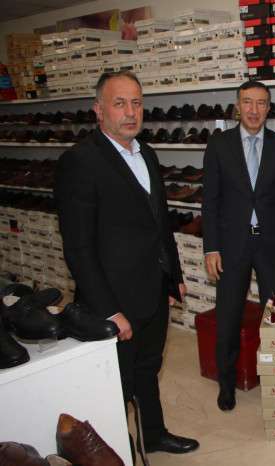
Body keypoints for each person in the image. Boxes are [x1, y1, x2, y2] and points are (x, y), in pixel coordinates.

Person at [54, 71, 199, 457]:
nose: (131, 112)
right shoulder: (80, 162)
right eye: (119, 104)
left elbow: (159, 223)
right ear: (98, 110)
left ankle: (153, 434)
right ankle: (115, 454)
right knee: (116, 383)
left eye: (136, 103)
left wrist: (174, 276)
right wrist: (108, 310)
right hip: (114, 298)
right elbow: (78, 248)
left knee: (148, 369)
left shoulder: (146, 153)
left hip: (153, 287)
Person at [202, 80, 275, 412]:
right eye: (248, 102)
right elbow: (210, 201)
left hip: (272, 244)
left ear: (269, 108)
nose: (254, 110)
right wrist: (211, 248)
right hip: (232, 245)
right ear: (237, 106)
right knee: (228, 317)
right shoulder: (219, 145)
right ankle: (226, 384)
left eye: (261, 103)